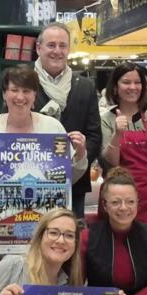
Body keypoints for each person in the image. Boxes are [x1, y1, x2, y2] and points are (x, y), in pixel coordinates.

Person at [0, 66, 90, 222]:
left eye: (26, 91)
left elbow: (68, 179)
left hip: (44, 226)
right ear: (4, 94)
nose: (20, 97)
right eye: (14, 90)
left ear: (34, 96)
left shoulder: (52, 127)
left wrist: (80, 153)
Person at [99, 62, 147, 234]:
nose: (133, 87)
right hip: (123, 200)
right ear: (115, 87)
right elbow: (111, 161)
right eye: (126, 82)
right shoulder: (106, 118)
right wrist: (118, 134)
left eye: (138, 82)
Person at [32, 24, 101, 217]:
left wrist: (75, 162)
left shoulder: (85, 87)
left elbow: (94, 135)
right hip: (32, 181)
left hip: (73, 184)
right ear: (39, 48)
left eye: (62, 46)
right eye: (51, 45)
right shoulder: (24, 82)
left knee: (70, 242)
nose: (57, 51)